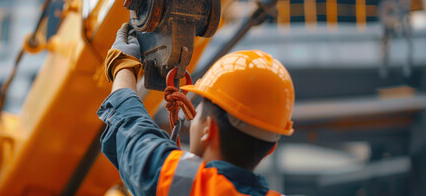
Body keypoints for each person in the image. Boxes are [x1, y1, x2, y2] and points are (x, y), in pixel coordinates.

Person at [97, 23, 295, 196]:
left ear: (208, 128)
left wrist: (122, 65)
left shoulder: (185, 184)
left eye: (197, 114)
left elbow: (132, 133)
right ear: (271, 148)